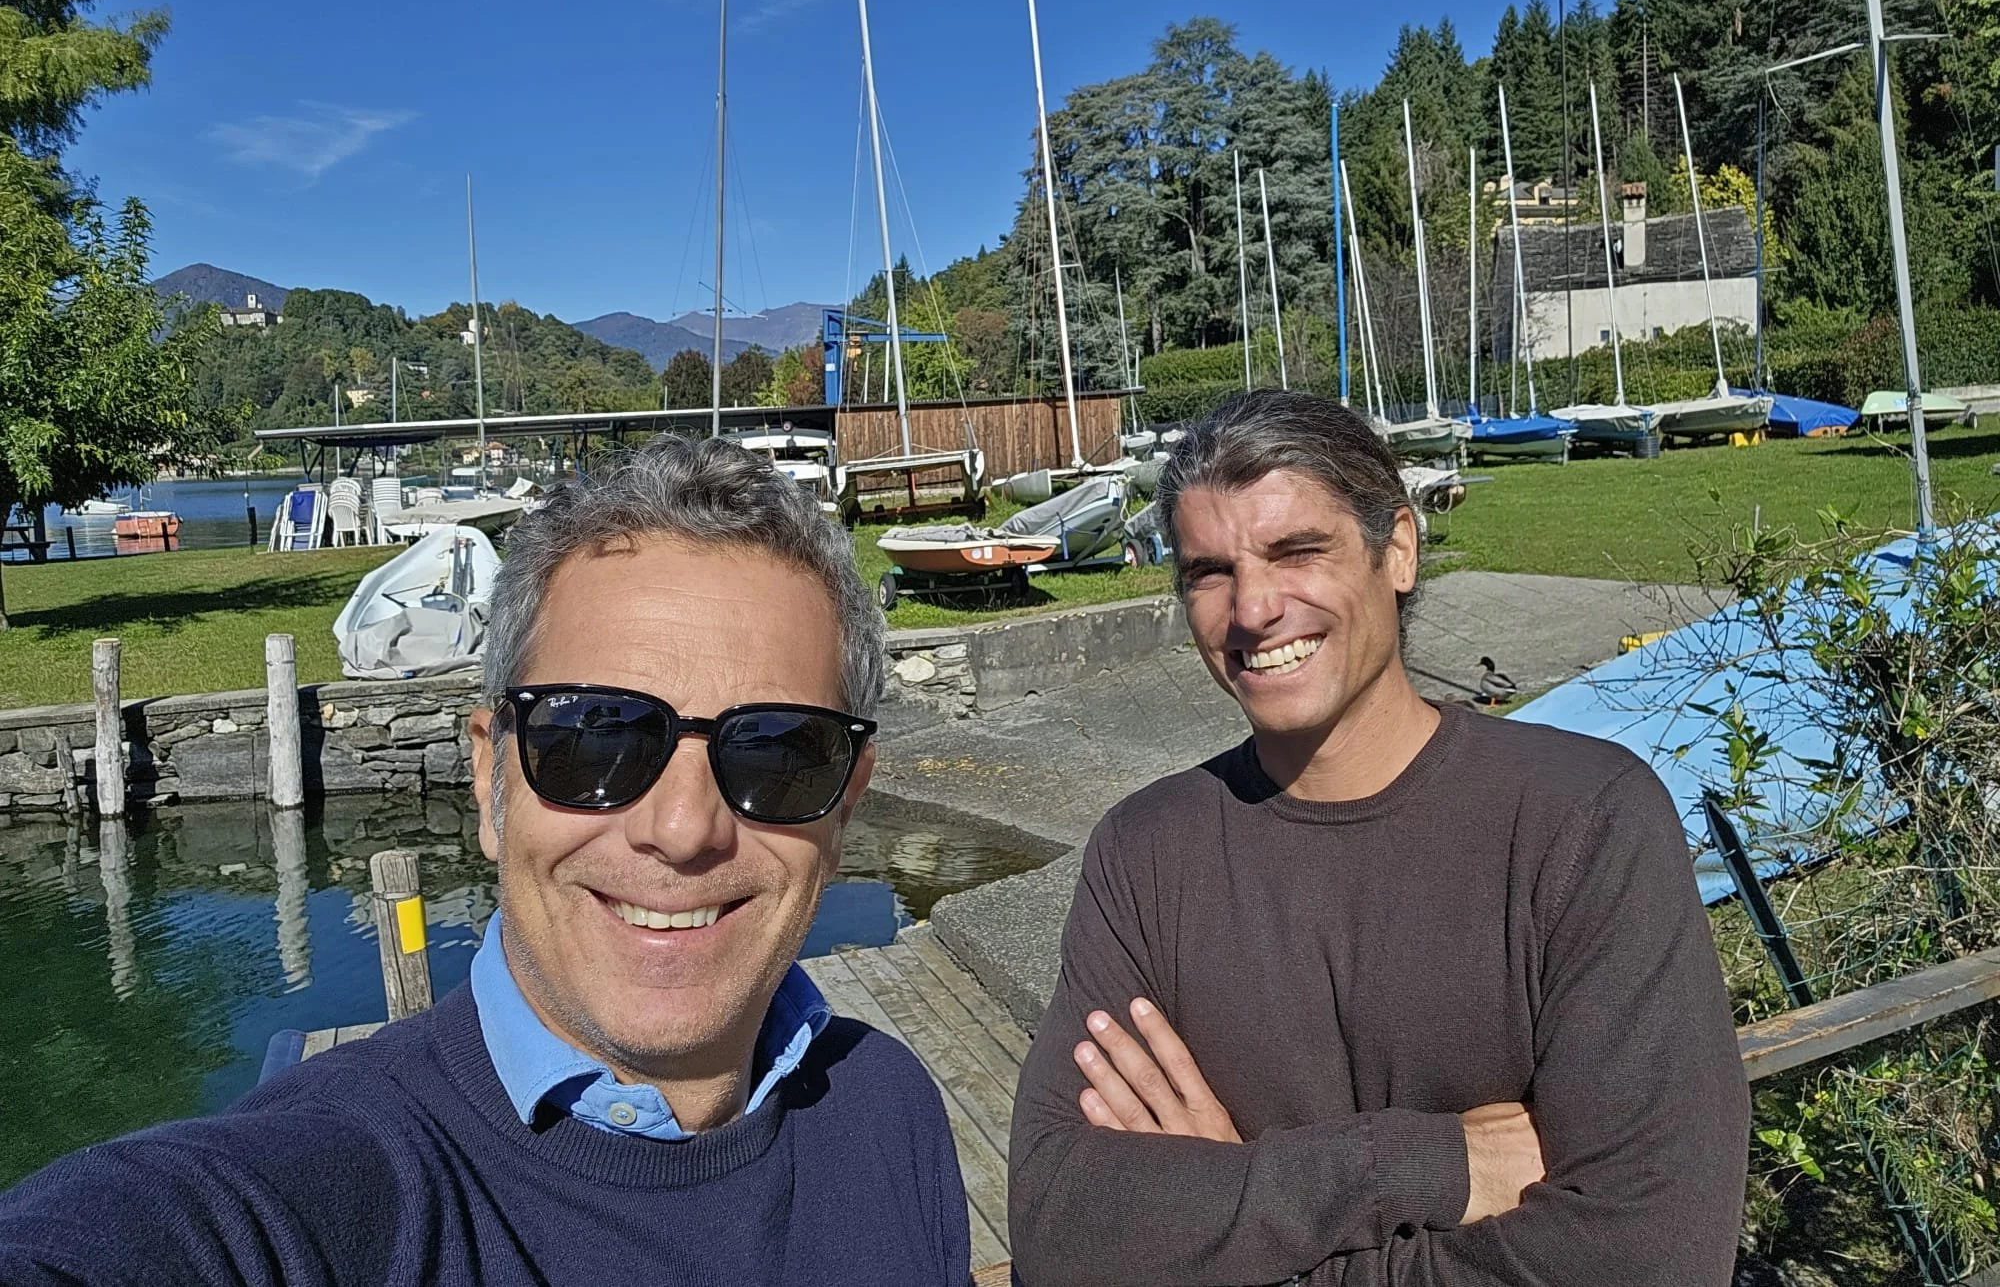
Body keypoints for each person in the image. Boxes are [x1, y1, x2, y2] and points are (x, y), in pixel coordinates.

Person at [0, 436, 971, 1286]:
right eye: (594, 739)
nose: (681, 829)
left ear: (846, 798)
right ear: (490, 777)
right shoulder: (331, 1186)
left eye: (775, 750)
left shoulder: (889, 1109)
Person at [1008, 390, 1749, 1286]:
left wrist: (1235, 1217)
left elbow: (1649, 1256)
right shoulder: (1143, 856)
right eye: (1210, 571)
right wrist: (1408, 1166)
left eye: (1296, 551)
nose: (1252, 610)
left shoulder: (1583, 822)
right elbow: (1061, 1232)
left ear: (1397, 548)